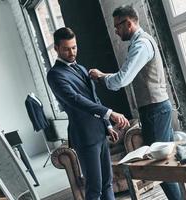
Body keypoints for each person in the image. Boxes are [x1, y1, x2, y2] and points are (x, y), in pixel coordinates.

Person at [89, 5, 182, 200]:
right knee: (163, 165)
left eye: (117, 26)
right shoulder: (138, 43)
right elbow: (122, 76)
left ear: (128, 23)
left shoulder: (141, 45)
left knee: (162, 167)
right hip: (153, 110)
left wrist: (100, 77)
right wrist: (105, 76)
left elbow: (121, 80)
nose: (115, 31)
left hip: (155, 109)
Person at [47, 27, 129, 200]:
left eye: (74, 47)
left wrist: (107, 125)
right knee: (94, 188)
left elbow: (94, 98)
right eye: (66, 49)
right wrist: (110, 113)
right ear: (56, 48)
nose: (72, 52)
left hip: (99, 132)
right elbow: (76, 100)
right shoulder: (55, 75)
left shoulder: (82, 68)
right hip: (84, 136)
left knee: (107, 182)